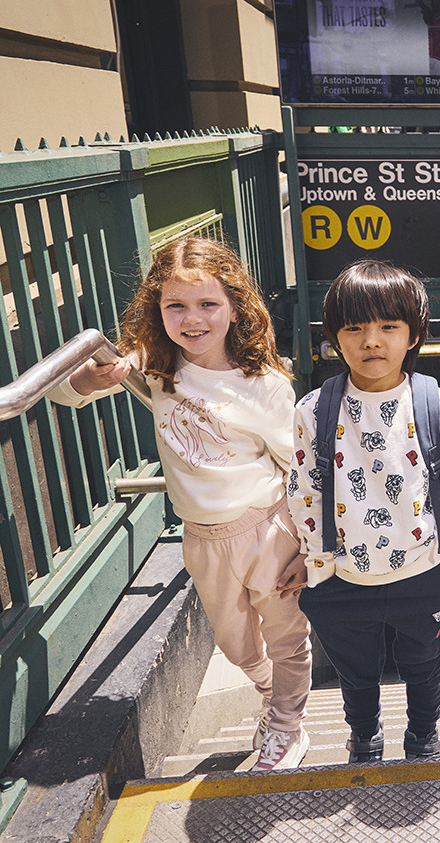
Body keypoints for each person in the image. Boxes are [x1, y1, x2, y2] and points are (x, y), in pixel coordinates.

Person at [47, 237, 312, 771]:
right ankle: (270, 696)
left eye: (208, 304)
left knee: (287, 635)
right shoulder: (154, 366)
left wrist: (312, 546)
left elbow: (304, 469)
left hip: (267, 528)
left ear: (235, 307)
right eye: (176, 306)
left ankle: (287, 723)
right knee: (236, 644)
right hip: (203, 537)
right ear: (158, 309)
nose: (193, 319)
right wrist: (89, 378)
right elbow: (64, 392)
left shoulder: (263, 386)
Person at [288, 260, 440, 762]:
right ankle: (365, 736)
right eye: (355, 328)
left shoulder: (434, 404)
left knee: (422, 661)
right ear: (335, 337)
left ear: (413, 334)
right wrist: (318, 566)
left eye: (388, 327)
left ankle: (422, 735)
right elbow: (304, 489)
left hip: (422, 571)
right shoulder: (314, 410)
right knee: (356, 671)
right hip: (343, 576)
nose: (372, 341)